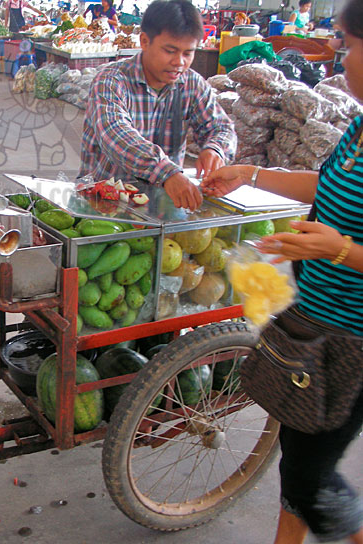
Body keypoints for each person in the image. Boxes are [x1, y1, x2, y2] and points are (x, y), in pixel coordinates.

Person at [201, 0, 363, 541]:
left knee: (311, 476)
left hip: (354, 341)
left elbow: (343, 242)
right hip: (312, 319)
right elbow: (326, 184)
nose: (339, 55)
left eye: (347, 42)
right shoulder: (360, 127)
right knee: (298, 457)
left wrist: (340, 250)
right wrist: (251, 173)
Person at [79, 0, 235, 210]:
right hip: (104, 203)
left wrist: (215, 149)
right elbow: (115, 133)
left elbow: (221, 127)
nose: (179, 62)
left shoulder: (192, 84)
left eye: (188, 53)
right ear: (144, 41)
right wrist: (166, 172)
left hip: (165, 204)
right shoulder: (111, 80)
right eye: (170, 51)